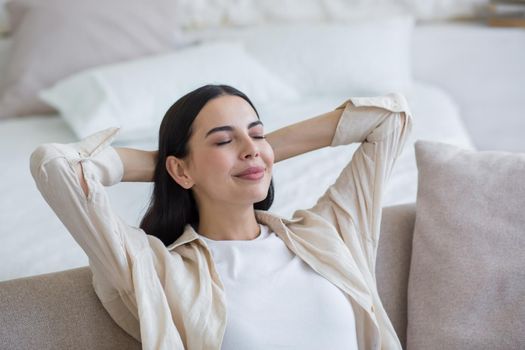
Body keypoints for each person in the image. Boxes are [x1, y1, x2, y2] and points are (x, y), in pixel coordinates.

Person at [30, 84, 413, 350]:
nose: (250, 147)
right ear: (180, 171)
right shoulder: (156, 269)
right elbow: (56, 165)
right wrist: (174, 167)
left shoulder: (328, 232)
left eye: (257, 133)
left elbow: (388, 120)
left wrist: (257, 154)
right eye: (223, 140)